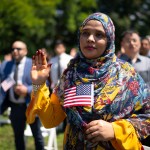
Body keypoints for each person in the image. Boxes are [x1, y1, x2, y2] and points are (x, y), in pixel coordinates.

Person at [26, 13, 150, 150]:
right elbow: (50, 120)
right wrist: (39, 84)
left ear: (109, 39)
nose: (90, 39)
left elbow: (147, 117)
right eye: (85, 33)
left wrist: (115, 130)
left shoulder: (126, 73)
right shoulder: (70, 74)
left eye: (99, 35)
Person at [0, 41, 45, 150]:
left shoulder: (33, 64)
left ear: (25, 51)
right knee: (18, 136)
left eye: (18, 49)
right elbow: (2, 85)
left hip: (31, 105)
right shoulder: (6, 64)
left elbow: (43, 84)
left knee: (37, 135)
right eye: (13, 49)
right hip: (15, 107)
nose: (15, 51)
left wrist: (28, 90)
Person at [119, 30, 150, 146]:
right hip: (124, 115)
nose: (131, 43)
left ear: (140, 43)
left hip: (146, 113)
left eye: (134, 40)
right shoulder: (116, 65)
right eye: (128, 41)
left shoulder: (148, 62)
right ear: (122, 44)